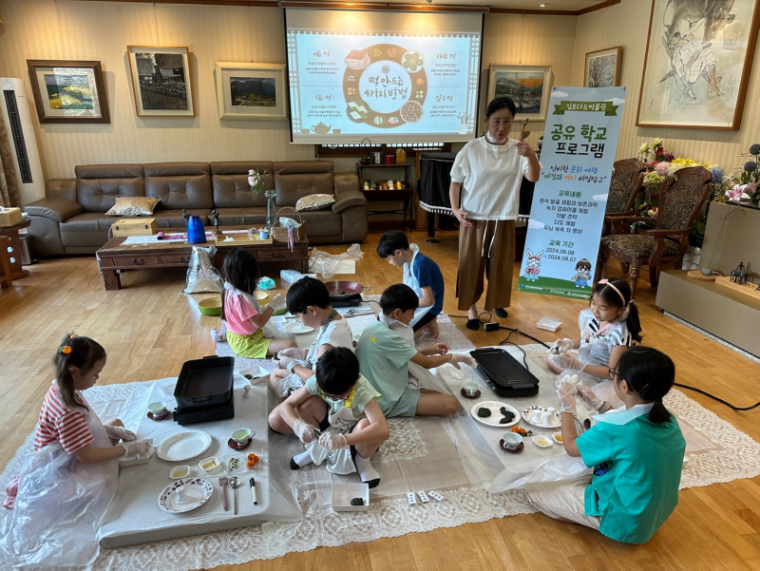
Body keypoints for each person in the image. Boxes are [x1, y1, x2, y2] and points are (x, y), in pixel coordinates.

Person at [0, 334, 153, 567]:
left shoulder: (62, 387)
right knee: (105, 484)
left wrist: (113, 434)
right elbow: (86, 456)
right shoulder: (66, 411)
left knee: (116, 424)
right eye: (95, 374)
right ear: (74, 372)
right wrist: (126, 450)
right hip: (61, 462)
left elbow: (87, 427)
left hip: (72, 445)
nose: (98, 378)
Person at [528, 346, 686, 544]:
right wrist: (600, 405)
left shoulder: (614, 429)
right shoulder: (669, 418)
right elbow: (629, 425)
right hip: (655, 512)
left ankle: (595, 519)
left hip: (624, 519)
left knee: (536, 491)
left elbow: (571, 447)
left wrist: (566, 407)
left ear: (624, 386)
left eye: (614, 374)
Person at [449, 96, 541, 330]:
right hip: (473, 217)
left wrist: (530, 155)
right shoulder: (472, 148)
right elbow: (455, 182)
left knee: (500, 266)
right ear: (486, 120)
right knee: (471, 266)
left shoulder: (518, 149)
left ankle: (496, 302)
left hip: (504, 217)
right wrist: (455, 210)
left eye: (507, 122)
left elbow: (533, 177)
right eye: (497, 121)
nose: (502, 128)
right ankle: (471, 310)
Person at [268, 347, 389, 488]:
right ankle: (315, 449)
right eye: (326, 394)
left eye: (337, 396)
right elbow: (286, 406)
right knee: (305, 405)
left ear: (356, 379)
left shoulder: (362, 390)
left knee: (367, 425)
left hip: (355, 434)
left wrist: (344, 440)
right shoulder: (318, 381)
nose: (331, 398)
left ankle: (362, 461)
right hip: (330, 425)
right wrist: (298, 425)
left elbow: (383, 430)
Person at [356, 284, 473, 418]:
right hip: (386, 399)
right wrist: (454, 357)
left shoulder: (374, 327)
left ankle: (413, 389)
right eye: (412, 313)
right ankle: (408, 396)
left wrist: (430, 350)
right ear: (398, 313)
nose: (412, 317)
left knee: (441, 395)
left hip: (375, 389)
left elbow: (404, 354)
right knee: (452, 403)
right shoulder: (389, 337)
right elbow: (427, 363)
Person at [269, 277, 353, 402]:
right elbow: (323, 357)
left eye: (299, 316)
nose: (300, 321)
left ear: (311, 310)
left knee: (275, 376)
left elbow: (316, 381)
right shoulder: (334, 318)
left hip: (328, 393)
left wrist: (292, 364)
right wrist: (301, 353)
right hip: (330, 378)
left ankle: (296, 410)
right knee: (277, 372)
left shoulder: (328, 342)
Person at [547, 279, 642, 388]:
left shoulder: (619, 335)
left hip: (606, 375)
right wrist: (571, 344)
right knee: (552, 357)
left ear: (621, 310)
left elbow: (612, 373)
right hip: (590, 361)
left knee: (596, 394)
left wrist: (578, 366)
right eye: (593, 303)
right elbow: (587, 341)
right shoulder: (597, 318)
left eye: (603, 307)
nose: (595, 310)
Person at [220, 248, 295, 359]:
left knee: (281, 335)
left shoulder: (229, 289)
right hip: (247, 343)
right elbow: (259, 323)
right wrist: (273, 306)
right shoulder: (241, 299)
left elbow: (248, 315)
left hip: (236, 336)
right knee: (291, 344)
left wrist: (265, 308)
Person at [376, 230, 445, 340]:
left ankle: (427, 323)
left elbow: (428, 300)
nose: (390, 262)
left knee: (402, 339)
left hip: (430, 307)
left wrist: (405, 307)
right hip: (418, 301)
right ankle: (428, 322)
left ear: (398, 253)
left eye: (389, 258)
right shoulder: (410, 258)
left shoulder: (420, 265)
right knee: (383, 320)